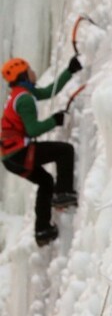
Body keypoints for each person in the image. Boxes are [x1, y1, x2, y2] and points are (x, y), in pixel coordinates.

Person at [1, 56, 82, 247]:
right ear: (23, 75)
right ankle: (63, 194)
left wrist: (69, 71)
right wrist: (55, 120)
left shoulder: (21, 94)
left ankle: (43, 231)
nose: (33, 72)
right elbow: (33, 130)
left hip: (10, 157)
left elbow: (47, 92)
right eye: (29, 69)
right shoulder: (24, 100)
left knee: (45, 182)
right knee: (65, 151)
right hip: (19, 152)